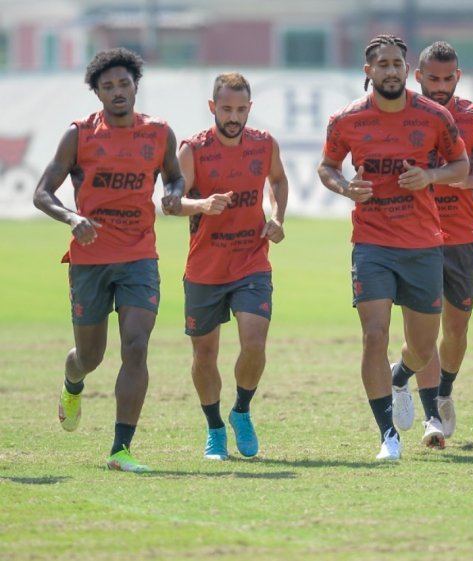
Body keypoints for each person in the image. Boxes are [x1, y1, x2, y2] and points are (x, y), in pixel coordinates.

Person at [32, 48, 184, 472]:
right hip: (91, 260)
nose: (117, 92)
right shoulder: (79, 135)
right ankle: (73, 380)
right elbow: (42, 192)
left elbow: (174, 174)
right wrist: (72, 216)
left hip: (139, 257)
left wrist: (173, 191)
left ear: (136, 85)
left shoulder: (159, 133)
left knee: (135, 346)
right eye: (108, 86)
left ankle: (120, 450)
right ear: (96, 92)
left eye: (124, 83)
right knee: (91, 356)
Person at [317, 35, 469, 460]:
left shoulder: (434, 116)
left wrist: (431, 178)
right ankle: (388, 436)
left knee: (422, 348)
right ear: (368, 72)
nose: (390, 70)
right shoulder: (346, 120)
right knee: (373, 335)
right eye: (382, 64)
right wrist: (347, 187)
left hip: (422, 244)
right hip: (372, 244)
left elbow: (461, 164)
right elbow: (327, 166)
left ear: (406, 69)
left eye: (397, 64)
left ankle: (400, 376)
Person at [176, 73, 288, 460]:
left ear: (249, 109)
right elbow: (170, 202)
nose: (234, 116)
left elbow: (278, 180)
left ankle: (241, 410)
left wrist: (278, 217)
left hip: (251, 262)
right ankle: (214, 429)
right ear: (213, 108)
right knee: (204, 356)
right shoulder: (192, 150)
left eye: (240, 109)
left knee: (254, 344)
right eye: (226, 108)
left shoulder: (264, 144)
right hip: (205, 268)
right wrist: (201, 204)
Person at [406, 41, 473, 440]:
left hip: (463, 235)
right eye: (433, 78)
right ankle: (432, 414)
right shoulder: (404, 117)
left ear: (458, 77)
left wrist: (469, 179)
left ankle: (442, 391)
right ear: (419, 77)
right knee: (424, 330)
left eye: (448, 79)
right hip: (416, 236)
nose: (440, 86)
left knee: (456, 331)